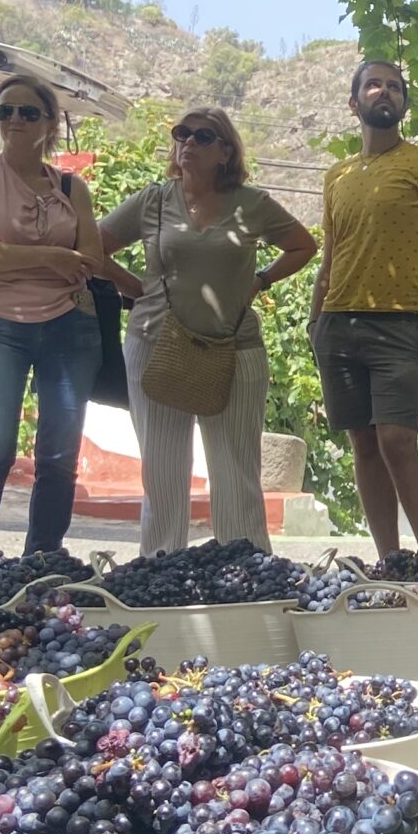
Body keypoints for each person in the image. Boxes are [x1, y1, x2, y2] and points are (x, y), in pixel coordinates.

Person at [100, 107, 318, 554]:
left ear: (225, 152)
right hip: (154, 344)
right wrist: (134, 287)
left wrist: (261, 281)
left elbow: (303, 245)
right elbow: (94, 246)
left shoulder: (251, 204)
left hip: (234, 349)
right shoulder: (154, 201)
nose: (188, 144)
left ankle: (245, 571)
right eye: (182, 134)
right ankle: (162, 571)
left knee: (236, 470)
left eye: (203, 136)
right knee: (162, 472)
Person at [0, 72, 137, 553]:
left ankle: (41, 560)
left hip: (69, 326)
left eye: (27, 112)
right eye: (4, 111)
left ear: (50, 122)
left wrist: (7, 255)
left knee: (57, 456)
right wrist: (50, 258)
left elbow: (91, 259)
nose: (14, 119)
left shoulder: (73, 189)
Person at [311, 56, 418, 557]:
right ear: (354, 103)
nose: (385, 92)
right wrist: (317, 322)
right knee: (363, 445)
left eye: (395, 87)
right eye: (373, 85)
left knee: (397, 440)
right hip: (339, 325)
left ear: (403, 103)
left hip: (402, 328)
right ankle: (390, 560)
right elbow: (331, 256)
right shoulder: (337, 175)